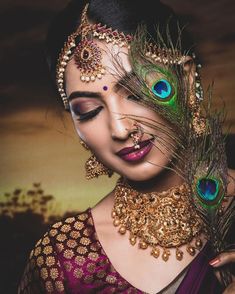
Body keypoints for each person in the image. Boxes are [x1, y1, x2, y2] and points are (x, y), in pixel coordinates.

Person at [18, 0, 235, 293]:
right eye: (89, 111)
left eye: (137, 92)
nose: (120, 129)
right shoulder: (64, 259)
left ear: (185, 78)